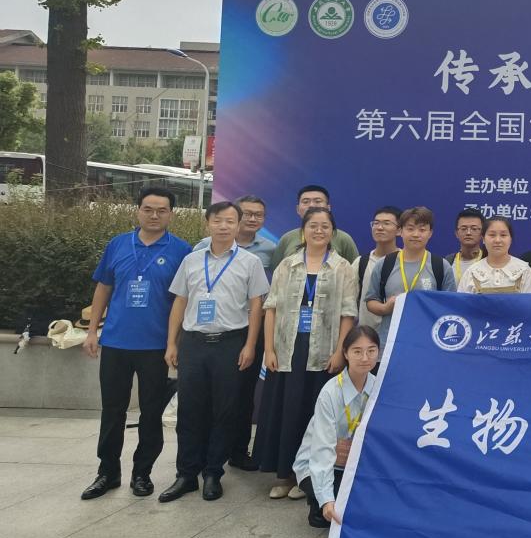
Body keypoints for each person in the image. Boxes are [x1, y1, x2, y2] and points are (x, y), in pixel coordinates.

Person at [81, 187, 192, 500]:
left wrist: (175, 343)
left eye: (161, 210)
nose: (154, 215)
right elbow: (104, 288)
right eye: (148, 209)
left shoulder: (182, 251)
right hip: (116, 342)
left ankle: (142, 473)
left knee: (151, 413)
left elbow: (183, 300)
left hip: (156, 346)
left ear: (171, 214)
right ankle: (107, 472)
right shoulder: (118, 244)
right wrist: (92, 331)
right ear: (137, 210)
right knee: (112, 411)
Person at [159, 201, 269, 503]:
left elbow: (256, 306)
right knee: (189, 410)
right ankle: (186, 474)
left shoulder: (250, 262)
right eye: (218, 220)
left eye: (230, 221)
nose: (224, 226)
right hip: (194, 342)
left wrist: (250, 345)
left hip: (231, 342)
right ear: (208, 223)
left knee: (225, 410)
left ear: (238, 225)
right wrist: (172, 342)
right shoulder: (192, 260)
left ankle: (212, 473)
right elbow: (180, 302)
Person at [256, 206, 358, 500]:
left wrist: (340, 352)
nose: (319, 231)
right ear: (303, 231)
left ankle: (310, 477)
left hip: (324, 353)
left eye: (325, 226)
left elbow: (348, 314)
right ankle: (284, 475)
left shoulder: (342, 268)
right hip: (287, 350)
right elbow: (271, 308)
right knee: (286, 412)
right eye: (313, 225)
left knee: (315, 416)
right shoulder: (287, 265)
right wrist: (269, 349)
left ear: (333, 232)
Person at [294, 325, 380, 528]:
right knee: (338, 508)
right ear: (346, 353)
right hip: (321, 463)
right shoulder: (330, 392)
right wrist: (326, 499)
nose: (365, 358)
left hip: (356, 465)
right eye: (357, 351)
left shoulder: (380, 388)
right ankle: (318, 501)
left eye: (371, 350)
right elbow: (322, 449)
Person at [365, 206, 456, 340]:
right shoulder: (384, 264)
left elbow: (451, 305)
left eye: (422, 230)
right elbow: (371, 300)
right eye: (410, 228)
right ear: (400, 231)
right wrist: (385, 308)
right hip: (390, 340)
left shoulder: (441, 266)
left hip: (428, 340)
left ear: (430, 233)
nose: (416, 234)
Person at [269, 185, 359, 273]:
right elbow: (276, 273)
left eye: (317, 201)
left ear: (328, 208)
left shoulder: (343, 239)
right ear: (298, 209)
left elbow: (355, 273)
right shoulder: (287, 238)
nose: (311, 205)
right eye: (305, 202)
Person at [194, 194, 276, 269]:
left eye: (258, 215)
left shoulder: (269, 248)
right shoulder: (206, 245)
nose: (253, 219)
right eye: (247, 214)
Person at [460, 216, 531, 293]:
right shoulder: (472, 272)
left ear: (511, 239)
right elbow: (461, 301)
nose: (497, 240)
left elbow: (530, 301)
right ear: (483, 239)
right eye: (492, 235)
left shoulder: (524, 271)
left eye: (503, 235)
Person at [355, 206, 401, 334]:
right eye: (376, 223)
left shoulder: (406, 262)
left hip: (397, 334)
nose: (380, 228)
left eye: (387, 223)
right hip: (367, 336)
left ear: (399, 230)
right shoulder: (361, 262)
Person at [447, 208, 486, 284]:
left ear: (482, 233)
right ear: (456, 233)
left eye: (474, 229)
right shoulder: (447, 262)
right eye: (463, 228)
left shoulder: (489, 261)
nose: (468, 233)